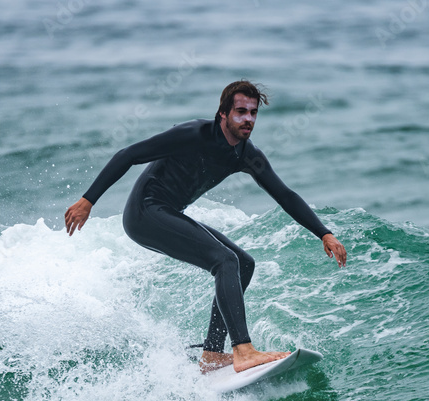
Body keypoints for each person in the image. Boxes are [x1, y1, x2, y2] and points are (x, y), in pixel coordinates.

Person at [64, 80, 347, 373]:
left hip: (168, 212)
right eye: (240, 111)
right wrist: (88, 200)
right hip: (144, 212)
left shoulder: (246, 155)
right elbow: (129, 154)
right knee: (224, 260)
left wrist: (323, 233)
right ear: (222, 114)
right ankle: (243, 350)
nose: (248, 119)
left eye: (253, 113)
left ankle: (212, 354)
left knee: (243, 264)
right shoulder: (193, 134)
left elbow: (285, 194)